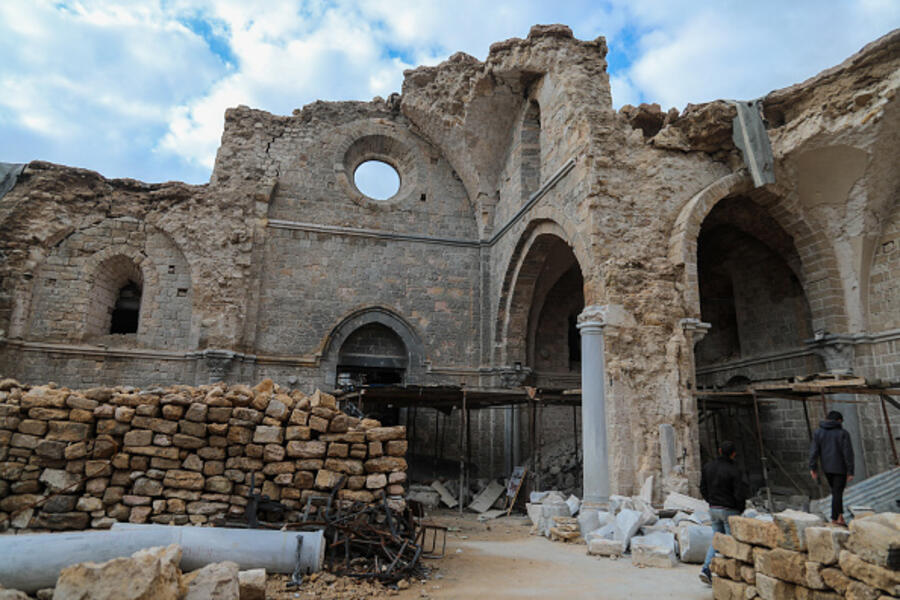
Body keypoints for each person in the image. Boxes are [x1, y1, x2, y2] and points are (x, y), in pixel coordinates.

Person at [698, 440, 747, 585]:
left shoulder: (708, 467)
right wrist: (739, 509)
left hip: (714, 508)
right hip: (729, 509)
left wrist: (711, 501)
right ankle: (730, 574)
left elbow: (703, 487)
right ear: (733, 454)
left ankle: (706, 568)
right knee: (730, 543)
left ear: (719, 451)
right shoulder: (734, 470)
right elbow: (739, 493)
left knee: (716, 539)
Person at [809, 410, 854, 525]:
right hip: (840, 468)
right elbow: (848, 454)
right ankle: (835, 518)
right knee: (837, 492)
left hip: (827, 468)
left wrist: (813, 468)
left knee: (835, 492)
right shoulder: (843, 433)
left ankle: (840, 516)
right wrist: (850, 471)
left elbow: (814, 451)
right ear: (838, 421)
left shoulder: (818, 433)